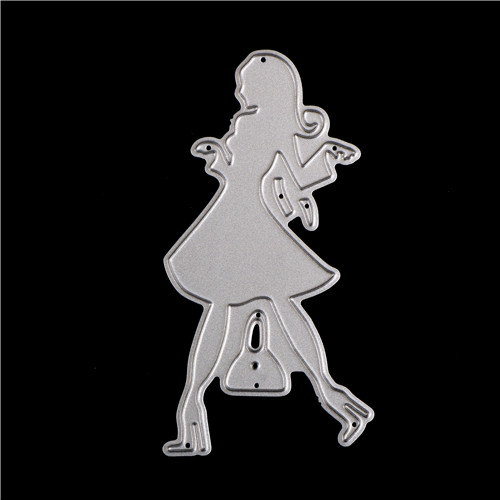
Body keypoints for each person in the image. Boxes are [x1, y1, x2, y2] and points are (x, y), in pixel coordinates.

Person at [164, 51, 373, 456]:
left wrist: (326, 158)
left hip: (249, 220)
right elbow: (239, 171)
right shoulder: (247, 122)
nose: (239, 90)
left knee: (239, 307)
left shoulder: (269, 125)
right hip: (231, 216)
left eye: (244, 81)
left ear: (265, 86)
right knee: (253, 307)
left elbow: (295, 177)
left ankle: (196, 406)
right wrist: (216, 158)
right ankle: (328, 394)